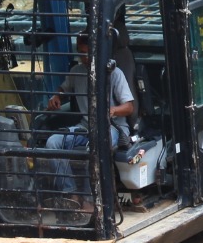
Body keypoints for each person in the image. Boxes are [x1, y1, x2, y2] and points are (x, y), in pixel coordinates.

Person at [43, 32, 135, 200]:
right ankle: (70, 195)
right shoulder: (76, 71)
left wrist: (113, 110)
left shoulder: (114, 74)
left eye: (87, 52)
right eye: (80, 52)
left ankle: (89, 200)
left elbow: (129, 107)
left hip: (112, 127)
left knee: (95, 146)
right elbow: (63, 88)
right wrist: (56, 96)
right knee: (52, 143)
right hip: (85, 127)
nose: (84, 57)